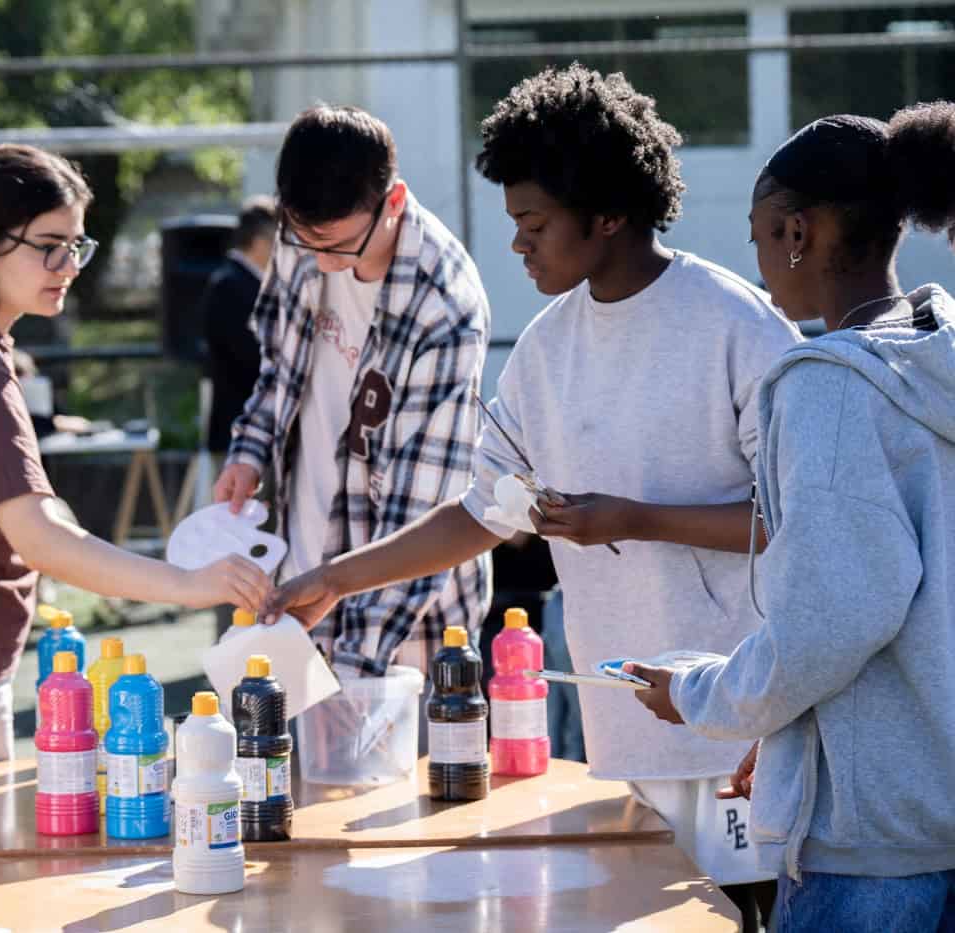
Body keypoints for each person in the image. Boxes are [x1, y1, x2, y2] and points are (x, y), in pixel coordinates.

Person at [266, 66, 800, 926]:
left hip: (741, 726)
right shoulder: (548, 347)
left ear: (610, 214)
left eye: (535, 224)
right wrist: (339, 575)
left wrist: (632, 519)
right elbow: (483, 512)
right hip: (622, 726)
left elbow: (799, 523)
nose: (519, 245)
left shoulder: (737, 326)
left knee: (745, 916)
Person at [631, 104, 955, 931]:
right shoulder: (937, 357)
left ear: (798, 231)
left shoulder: (828, 385)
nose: (762, 260)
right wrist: (785, 733)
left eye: (760, 235)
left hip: (876, 859)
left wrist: (705, 696)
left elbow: (830, 619)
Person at [0, 144, 270, 774]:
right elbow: (42, 541)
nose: (67, 264)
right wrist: (187, 585)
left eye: (76, 245)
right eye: (48, 244)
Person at [214, 104, 491, 680]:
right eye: (302, 240)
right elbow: (279, 366)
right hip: (301, 578)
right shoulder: (307, 232)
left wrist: (356, 666)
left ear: (393, 202)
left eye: (337, 247)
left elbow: (422, 517)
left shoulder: (444, 309)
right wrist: (250, 448)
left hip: (406, 631)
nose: (319, 262)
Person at [201, 194, 276, 455]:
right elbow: (250, 357)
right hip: (239, 431)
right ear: (260, 242)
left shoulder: (247, 283)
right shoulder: (229, 285)